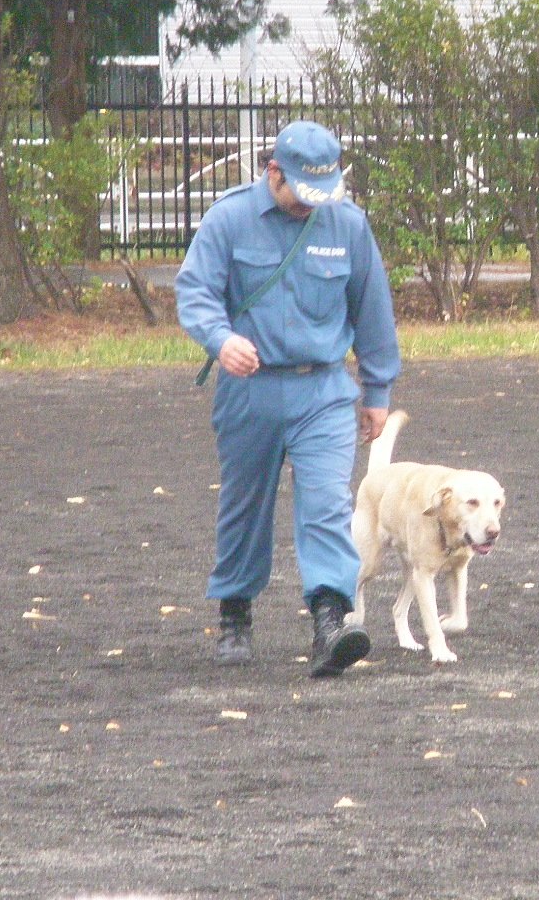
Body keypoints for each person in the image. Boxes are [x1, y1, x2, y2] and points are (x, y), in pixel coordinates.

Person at [176, 119, 401, 675]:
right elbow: (195, 290)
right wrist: (221, 339)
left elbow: (373, 309)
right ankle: (234, 612)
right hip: (248, 389)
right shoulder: (229, 218)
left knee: (327, 501)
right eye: (301, 192)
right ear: (273, 172)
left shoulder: (347, 225)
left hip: (323, 388)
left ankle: (330, 620)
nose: (309, 205)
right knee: (244, 505)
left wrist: (377, 388)